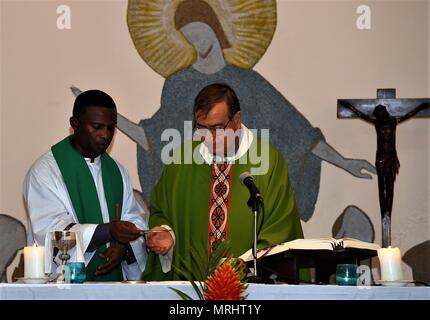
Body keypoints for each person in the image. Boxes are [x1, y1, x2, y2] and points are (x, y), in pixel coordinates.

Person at [143, 83, 304, 280]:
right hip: (191, 291)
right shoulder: (181, 160)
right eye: (201, 128)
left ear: (236, 120)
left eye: (217, 128)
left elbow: (281, 228)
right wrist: (167, 234)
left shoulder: (268, 161)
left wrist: (248, 264)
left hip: (248, 292)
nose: (208, 138)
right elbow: (161, 210)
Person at [23, 89, 172, 281]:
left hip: (112, 287)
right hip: (66, 286)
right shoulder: (46, 172)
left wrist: (123, 248)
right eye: (97, 127)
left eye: (111, 128)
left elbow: (134, 219)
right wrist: (108, 231)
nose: (105, 135)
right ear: (74, 124)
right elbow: (51, 233)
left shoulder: (117, 172)